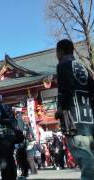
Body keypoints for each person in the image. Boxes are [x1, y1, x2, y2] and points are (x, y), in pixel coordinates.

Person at [55, 39, 94, 179]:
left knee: (86, 160)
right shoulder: (83, 66)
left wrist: (61, 108)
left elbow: (66, 89)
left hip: (74, 121)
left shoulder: (63, 65)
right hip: (89, 121)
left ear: (60, 51)